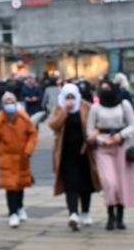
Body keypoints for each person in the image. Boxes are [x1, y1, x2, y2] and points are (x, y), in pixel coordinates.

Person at [88, 80, 134, 231]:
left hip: (121, 146)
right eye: (102, 89)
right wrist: (100, 140)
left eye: (108, 88)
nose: (105, 91)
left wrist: (120, 136)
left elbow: (133, 124)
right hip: (103, 148)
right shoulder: (95, 107)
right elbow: (89, 130)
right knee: (110, 182)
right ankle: (110, 213)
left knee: (122, 182)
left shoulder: (124, 104)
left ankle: (120, 216)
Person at [48, 83, 101, 231]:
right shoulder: (59, 107)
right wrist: (65, 111)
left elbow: (97, 123)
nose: (70, 99)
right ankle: (73, 214)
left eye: (73, 96)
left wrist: (94, 134)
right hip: (66, 152)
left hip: (85, 152)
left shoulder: (86, 107)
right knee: (70, 184)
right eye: (67, 97)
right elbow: (53, 125)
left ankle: (85, 212)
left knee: (85, 183)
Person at [0, 91, 38, 228]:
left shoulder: (24, 118)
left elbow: (32, 134)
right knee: (10, 186)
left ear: (16, 103)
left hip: (22, 157)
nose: (9, 104)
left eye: (11, 102)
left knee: (20, 185)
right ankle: (12, 213)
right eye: (6, 102)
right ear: (2, 104)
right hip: (6, 157)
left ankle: (20, 207)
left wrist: (28, 149)